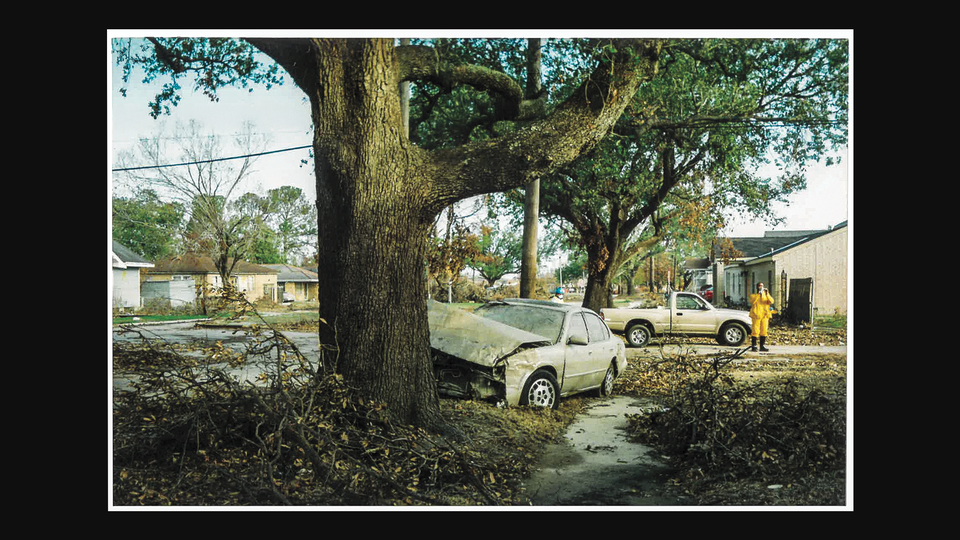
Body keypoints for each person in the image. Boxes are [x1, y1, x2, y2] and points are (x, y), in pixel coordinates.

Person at [748, 282, 774, 352]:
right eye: (759, 286)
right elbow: (753, 301)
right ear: (757, 287)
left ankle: (762, 346)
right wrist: (759, 293)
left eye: (762, 286)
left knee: (764, 331)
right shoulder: (753, 295)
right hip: (756, 315)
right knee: (755, 331)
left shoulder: (766, 295)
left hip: (765, 315)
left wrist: (767, 293)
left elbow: (771, 301)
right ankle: (754, 346)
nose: (761, 287)